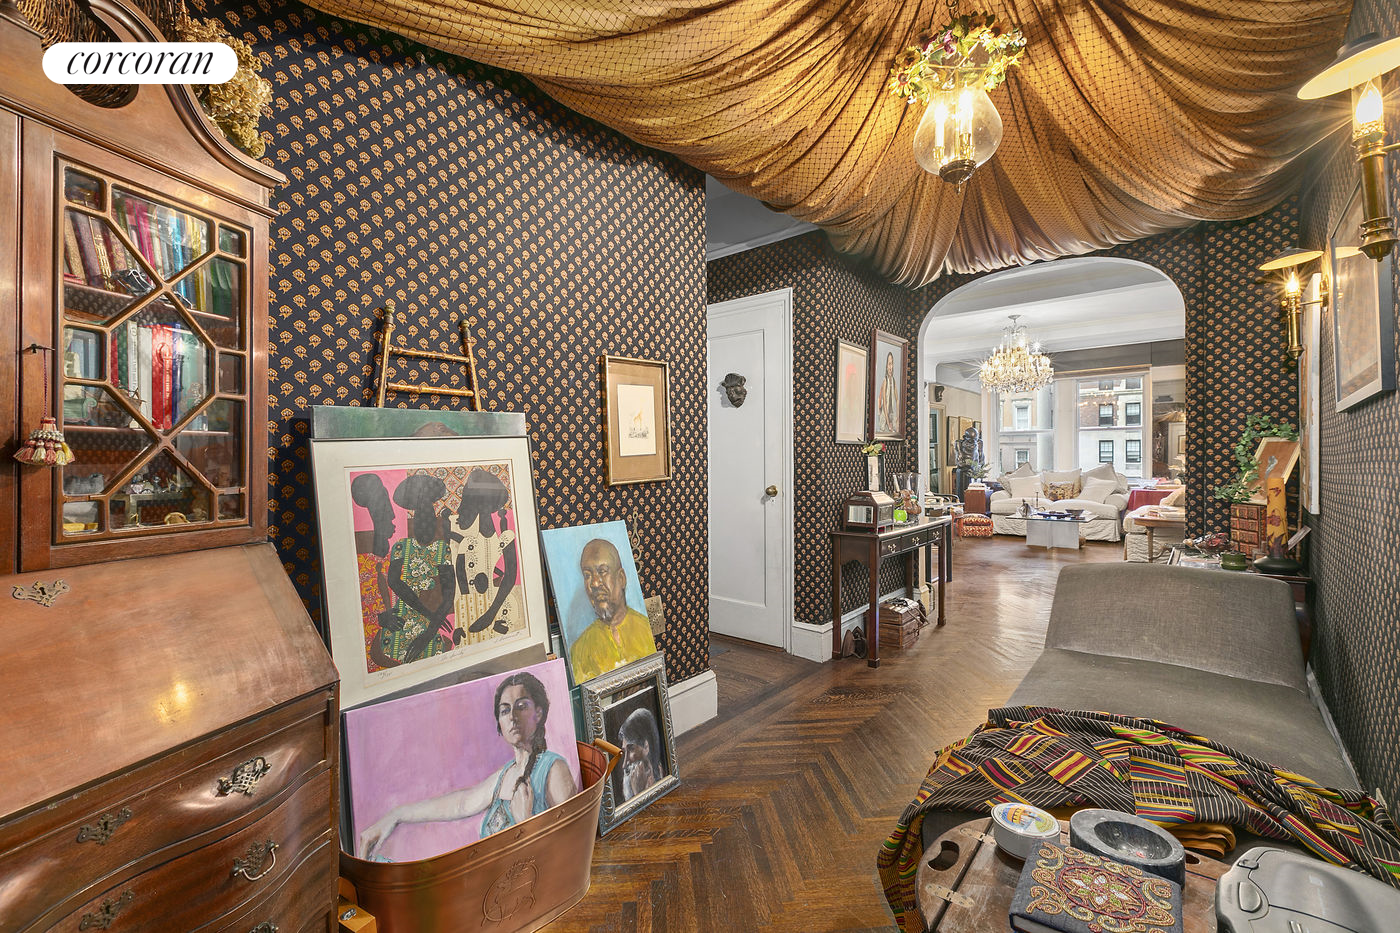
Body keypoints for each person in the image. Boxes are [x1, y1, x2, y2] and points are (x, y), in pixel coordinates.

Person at [356, 671, 577, 858]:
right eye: (505, 710)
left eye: (521, 706)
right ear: (499, 722)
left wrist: (526, 824)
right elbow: (461, 804)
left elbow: (572, 847)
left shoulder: (553, 769)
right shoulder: (505, 775)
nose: (512, 716)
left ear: (538, 712)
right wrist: (395, 816)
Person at [568, 538, 655, 683]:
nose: (595, 583)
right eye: (587, 575)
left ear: (621, 578)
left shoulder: (645, 628)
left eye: (602, 571)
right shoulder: (579, 650)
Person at [618, 706, 663, 801]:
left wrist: (638, 793)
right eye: (625, 751)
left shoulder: (663, 776)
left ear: (646, 747)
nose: (624, 764)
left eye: (631, 749)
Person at [876, 351, 898, 435]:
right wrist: (888, 423)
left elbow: (897, 400)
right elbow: (884, 403)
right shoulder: (885, 381)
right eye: (889, 364)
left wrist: (898, 418)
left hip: (892, 417)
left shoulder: (893, 381)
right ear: (886, 366)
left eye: (892, 364)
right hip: (885, 419)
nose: (891, 367)